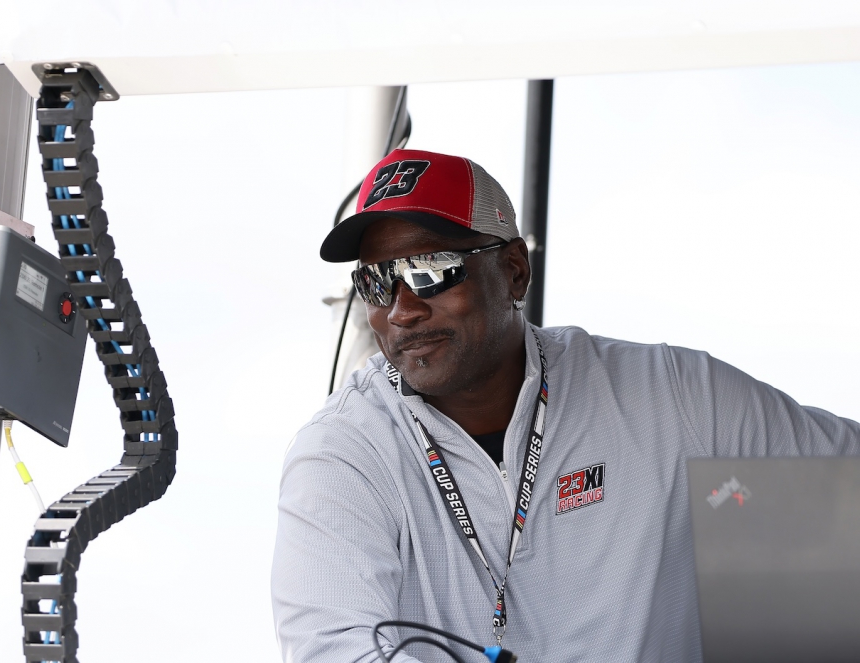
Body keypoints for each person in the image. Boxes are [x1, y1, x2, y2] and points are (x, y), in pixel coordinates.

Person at [270, 148, 860, 662]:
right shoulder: (341, 456)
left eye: (430, 270)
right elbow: (334, 647)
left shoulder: (671, 394)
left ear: (514, 270)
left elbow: (844, 478)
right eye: (376, 282)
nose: (401, 310)